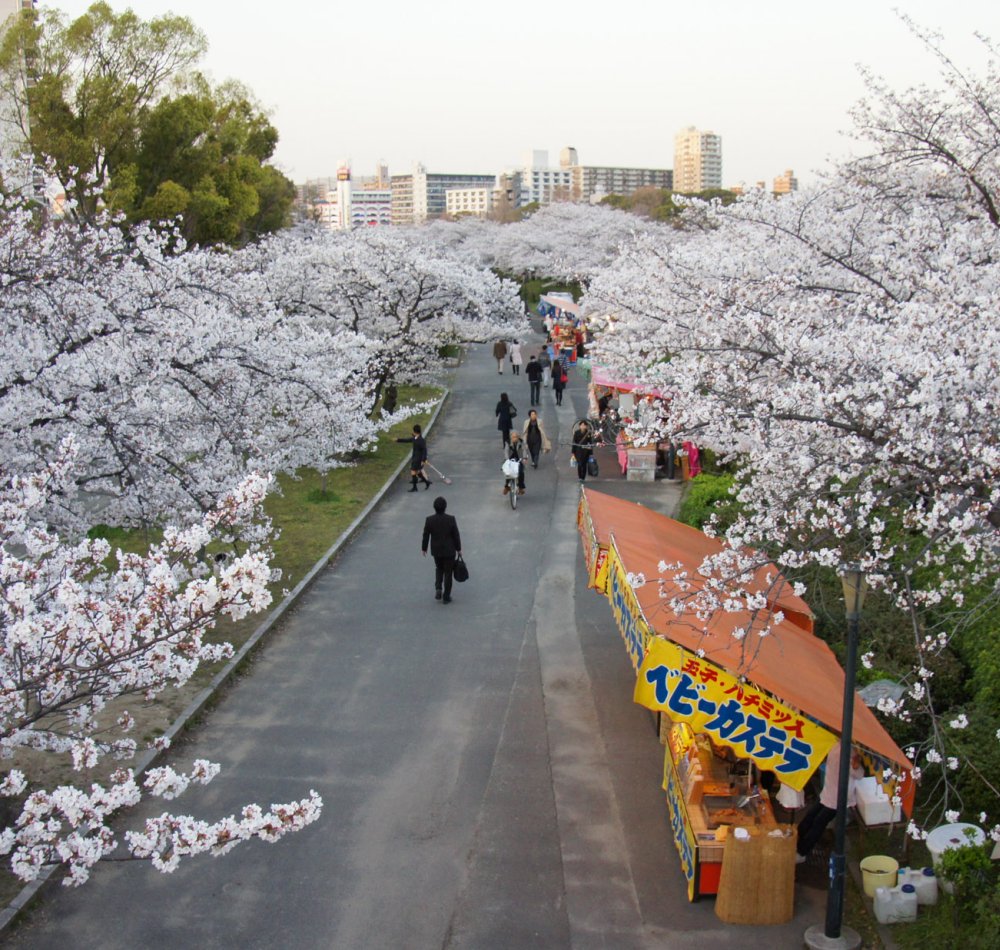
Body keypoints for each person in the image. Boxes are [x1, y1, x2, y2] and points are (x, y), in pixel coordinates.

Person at [795, 743, 864, 863]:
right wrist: (857, 766)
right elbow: (858, 775)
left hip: (829, 792)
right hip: (837, 796)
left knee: (813, 817)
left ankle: (796, 841)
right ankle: (801, 850)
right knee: (818, 822)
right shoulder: (850, 753)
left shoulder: (834, 745)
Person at [421, 496, 462, 603]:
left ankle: (438, 587)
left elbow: (426, 535)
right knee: (448, 572)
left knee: (439, 568)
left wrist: (424, 548)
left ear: (434, 507)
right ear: (445, 507)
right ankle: (446, 596)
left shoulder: (429, 520)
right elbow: (456, 535)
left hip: (436, 550)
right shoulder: (451, 519)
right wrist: (458, 548)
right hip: (449, 551)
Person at [396, 424, 430, 491]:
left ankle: (415, 487)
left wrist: (423, 459)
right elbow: (407, 440)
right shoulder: (415, 438)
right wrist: (398, 440)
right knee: (417, 472)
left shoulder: (421, 440)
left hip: (418, 458)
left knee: (413, 472)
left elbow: (424, 450)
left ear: (415, 432)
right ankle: (426, 482)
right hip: (415, 457)